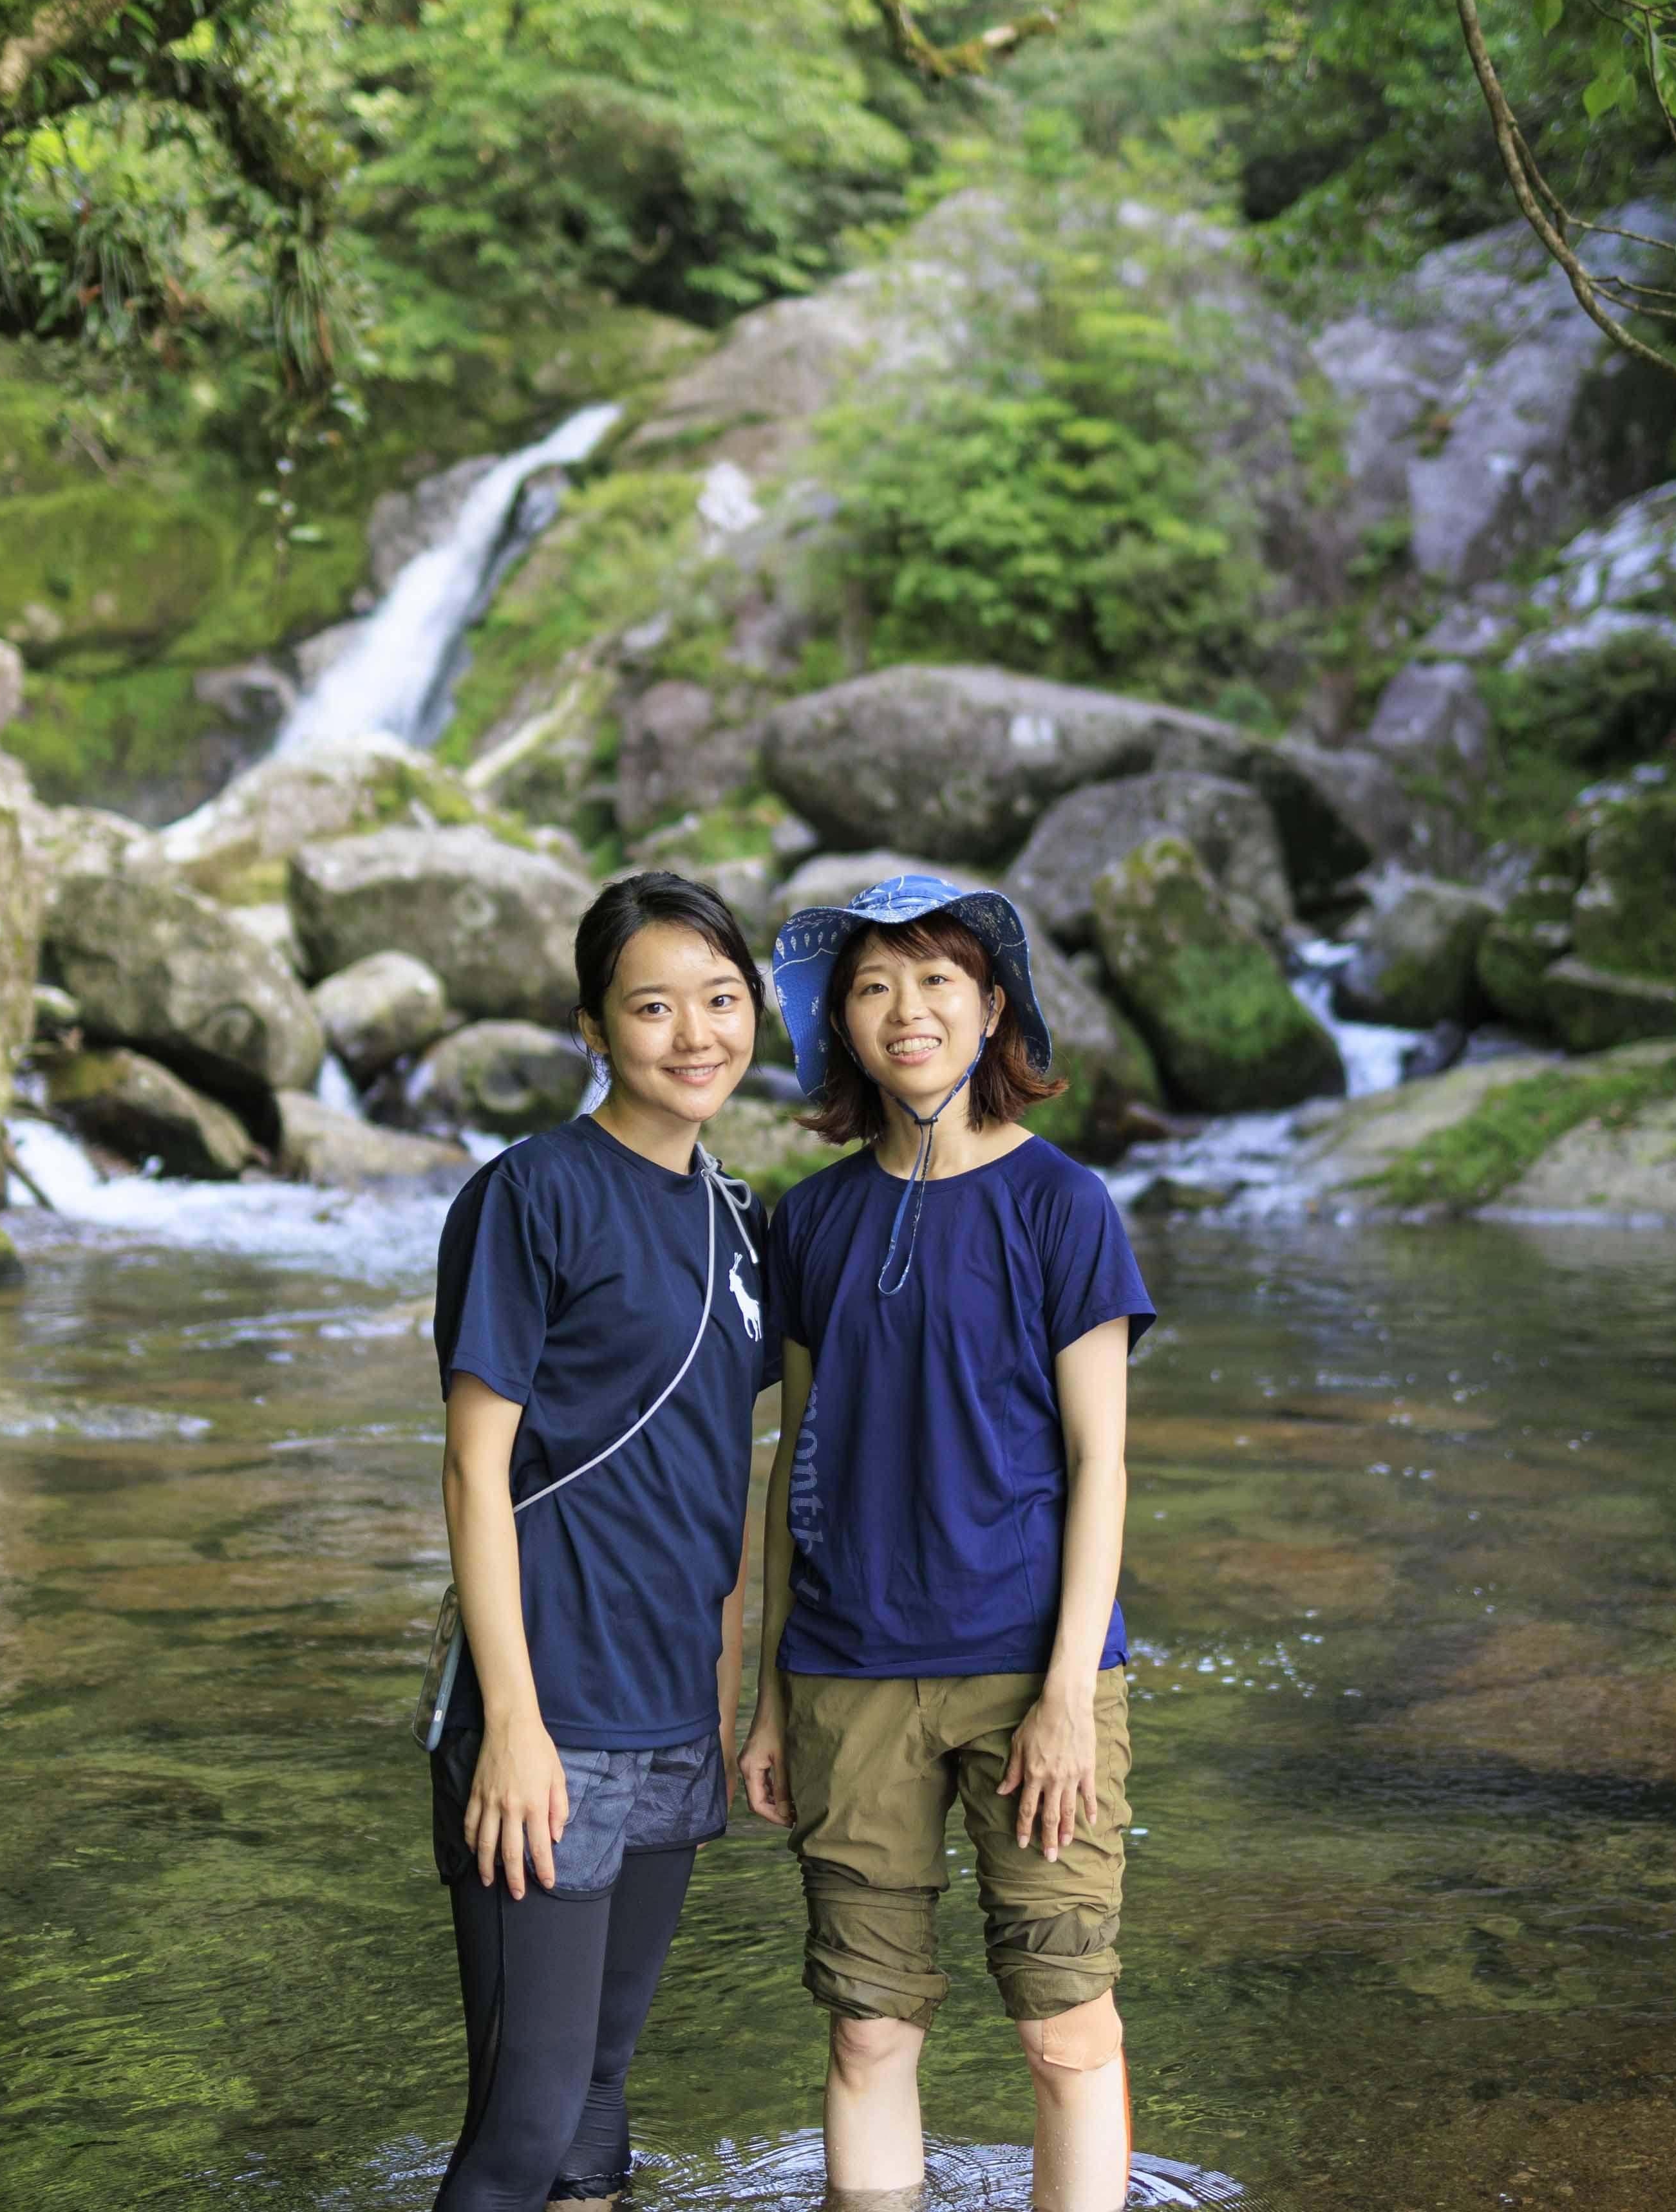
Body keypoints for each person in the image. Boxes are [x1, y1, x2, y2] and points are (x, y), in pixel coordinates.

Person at [738, 874, 1149, 2212]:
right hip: (849, 1672)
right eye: (872, 985)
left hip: (1033, 1669)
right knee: (867, 2026)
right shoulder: (809, 1218)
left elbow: (1103, 1462)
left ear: (991, 1008)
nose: (905, 1009)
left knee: (1064, 2025)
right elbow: (796, 1458)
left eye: (935, 979)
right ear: (841, 1026)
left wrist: (1070, 1698)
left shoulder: (1064, 1204)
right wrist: (762, 1700)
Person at [423, 873, 778, 2212]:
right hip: (549, 1712)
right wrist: (511, 1723)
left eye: (722, 998)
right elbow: (472, 1462)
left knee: (599, 2101)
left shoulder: (740, 1220)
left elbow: (721, 1470)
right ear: (593, 1027)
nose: (695, 1032)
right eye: (653, 1004)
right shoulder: (532, 1195)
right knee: (524, 2122)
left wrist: (737, 1701)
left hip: (674, 1712)